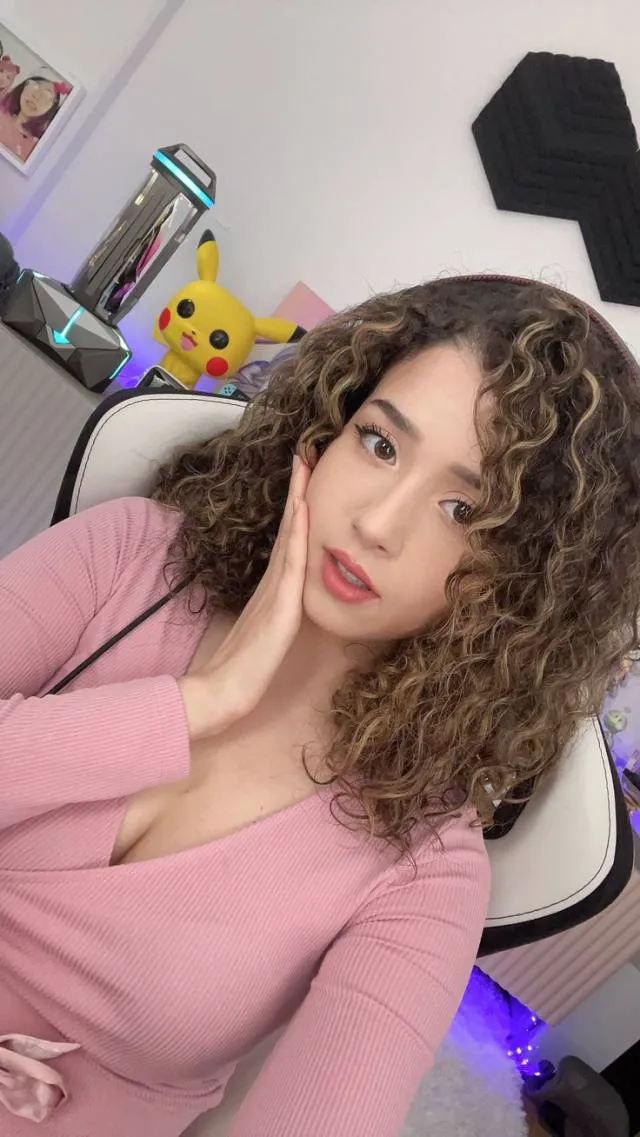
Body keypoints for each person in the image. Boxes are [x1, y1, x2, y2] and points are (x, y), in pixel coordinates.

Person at [1, 274, 639, 1136]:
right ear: (325, 426)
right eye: (379, 443)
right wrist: (194, 704)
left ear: (522, 582)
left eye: (464, 508)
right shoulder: (131, 555)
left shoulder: (425, 870)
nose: (378, 522)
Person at [0, 74, 66, 163]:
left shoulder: (36, 149)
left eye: (46, 95)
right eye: (34, 86)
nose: (36, 96)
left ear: (51, 109)